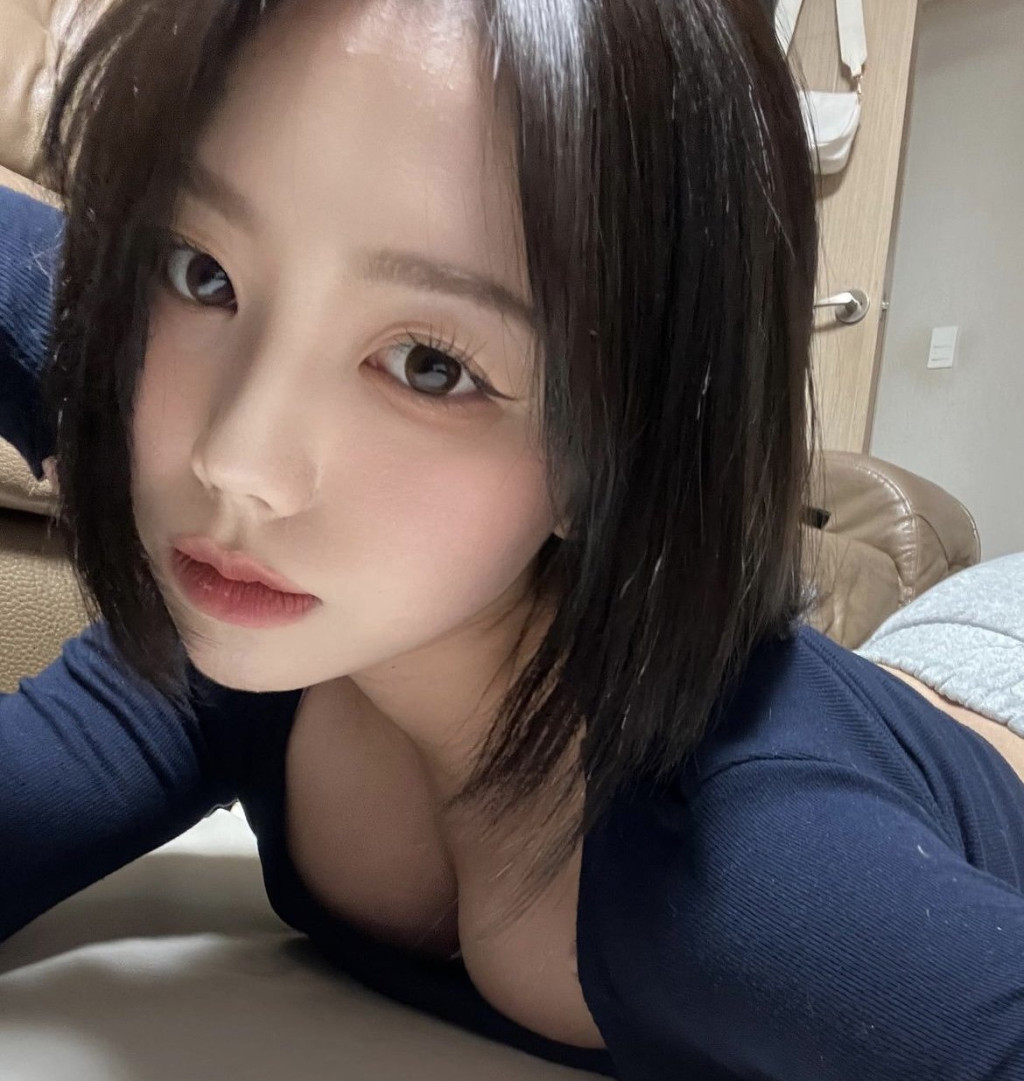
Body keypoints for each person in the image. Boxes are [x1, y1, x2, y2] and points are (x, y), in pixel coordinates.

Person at [2, 1, 1023, 1077]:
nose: (233, 461)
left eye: (430, 366)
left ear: (623, 449)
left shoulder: (761, 876)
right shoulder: (232, 579)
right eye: (201, 270)